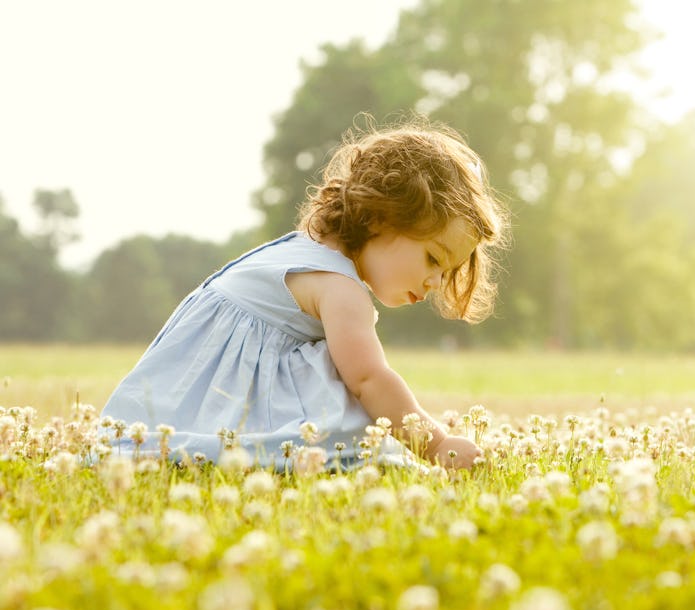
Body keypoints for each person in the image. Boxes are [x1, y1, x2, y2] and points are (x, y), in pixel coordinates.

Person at [100, 117, 509, 471]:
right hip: (228, 400)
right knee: (349, 443)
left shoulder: (303, 250)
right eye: (433, 258)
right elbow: (368, 379)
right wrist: (435, 444)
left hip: (184, 401)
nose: (436, 282)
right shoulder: (340, 288)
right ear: (385, 216)